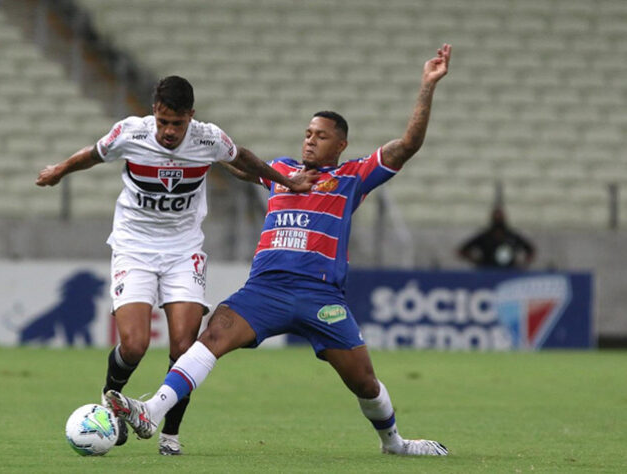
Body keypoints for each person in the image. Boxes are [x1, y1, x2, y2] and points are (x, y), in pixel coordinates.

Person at [105, 44, 452, 456]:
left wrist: (427, 87)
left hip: (320, 296)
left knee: (363, 381)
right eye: (307, 133)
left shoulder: (352, 176)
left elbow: (408, 145)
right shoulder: (282, 172)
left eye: (320, 136)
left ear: (340, 144)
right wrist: (193, 147)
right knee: (212, 335)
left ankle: (393, 443)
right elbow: (233, 162)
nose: (309, 141)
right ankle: (151, 410)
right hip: (264, 291)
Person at [36, 76, 316, 455]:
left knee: (185, 346)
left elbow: (243, 157)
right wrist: (59, 170)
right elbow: (93, 153)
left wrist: (287, 181)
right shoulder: (130, 133)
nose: (169, 132)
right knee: (133, 345)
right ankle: (111, 402)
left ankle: (170, 435)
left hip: (184, 251)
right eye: (163, 122)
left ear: (191, 117)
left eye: (177, 124)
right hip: (134, 248)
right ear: (154, 112)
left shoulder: (208, 138)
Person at [458, 206, 535, 269]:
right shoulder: (484, 236)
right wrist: (477, 262)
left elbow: (530, 250)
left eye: (500, 218)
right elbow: (462, 250)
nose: (498, 221)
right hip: (487, 272)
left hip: (509, 272)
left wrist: (522, 265)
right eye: (496, 218)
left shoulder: (512, 236)